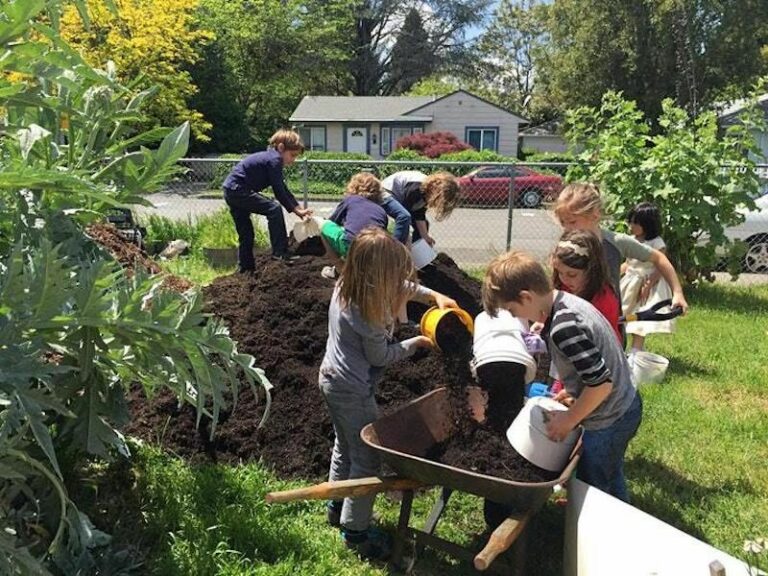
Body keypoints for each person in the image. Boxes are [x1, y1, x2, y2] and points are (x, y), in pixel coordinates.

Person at [319, 227, 457, 560]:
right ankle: (356, 533)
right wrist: (416, 343)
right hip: (351, 389)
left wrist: (432, 296)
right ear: (378, 275)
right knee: (366, 458)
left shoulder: (348, 284)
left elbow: (401, 286)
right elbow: (380, 356)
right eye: (393, 272)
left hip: (331, 380)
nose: (399, 280)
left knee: (346, 445)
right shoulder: (365, 313)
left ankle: (337, 507)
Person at [482, 251, 642, 502]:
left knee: (594, 485)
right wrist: (576, 390)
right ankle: (622, 509)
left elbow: (601, 385)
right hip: (624, 404)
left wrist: (569, 419)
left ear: (526, 297)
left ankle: (598, 528)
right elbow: (596, 367)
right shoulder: (567, 300)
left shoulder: (563, 328)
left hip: (610, 417)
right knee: (611, 471)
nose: (516, 317)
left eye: (513, 311)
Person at [553, 182, 688, 316]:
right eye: (563, 222)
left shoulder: (616, 242)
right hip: (571, 321)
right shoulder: (566, 244)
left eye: (572, 222)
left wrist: (677, 293)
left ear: (595, 215)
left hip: (610, 323)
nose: (567, 228)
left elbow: (659, 258)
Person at [222, 129, 313, 272]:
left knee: (246, 233)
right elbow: (278, 190)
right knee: (274, 209)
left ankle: (245, 268)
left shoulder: (271, 158)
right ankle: (280, 253)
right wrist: (296, 211)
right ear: (281, 147)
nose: (293, 160)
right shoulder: (275, 159)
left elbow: (282, 187)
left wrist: (298, 209)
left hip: (230, 190)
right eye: (292, 155)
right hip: (238, 189)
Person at [620, 202, 676, 352]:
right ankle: (620, 347)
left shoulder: (656, 243)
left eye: (636, 223)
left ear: (648, 224)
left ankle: (636, 351)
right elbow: (627, 263)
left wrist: (649, 284)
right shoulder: (631, 240)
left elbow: (660, 266)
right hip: (630, 283)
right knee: (624, 313)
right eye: (630, 222)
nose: (631, 226)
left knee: (641, 318)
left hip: (648, 283)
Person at [552, 230, 622, 342]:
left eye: (572, 274)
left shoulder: (604, 301)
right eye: (559, 272)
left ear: (591, 270)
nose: (564, 279)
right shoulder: (563, 288)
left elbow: (603, 342)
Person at [319, 172, 389, 280]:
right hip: (375, 250)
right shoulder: (381, 210)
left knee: (324, 228)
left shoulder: (350, 200)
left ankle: (339, 270)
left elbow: (333, 222)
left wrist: (321, 222)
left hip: (351, 245)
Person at [380, 170, 460, 246]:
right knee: (405, 217)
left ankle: (414, 252)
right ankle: (396, 248)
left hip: (399, 199)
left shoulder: (426, 194)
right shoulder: (417, 188)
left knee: (424, 225)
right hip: (385, 193)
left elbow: (419, 215)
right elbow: (405, 212)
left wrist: (425, 237)